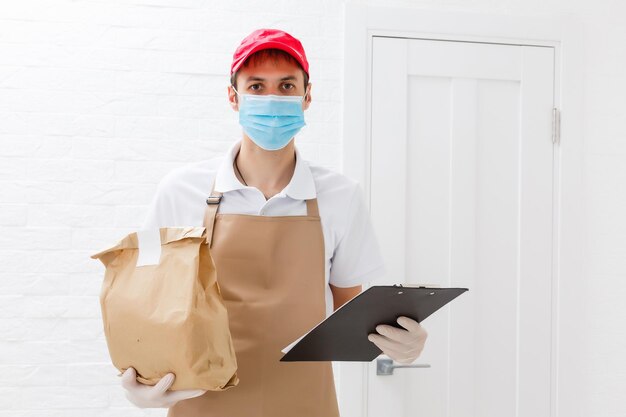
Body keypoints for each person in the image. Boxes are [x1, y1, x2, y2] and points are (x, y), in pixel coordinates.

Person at [119, 28, 428, 417]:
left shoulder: (340, 196)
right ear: (234, 97)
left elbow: (350, 315)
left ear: (307, 96)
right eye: (256, 86)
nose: (272, 99)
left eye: (286, 86)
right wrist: (138, 380)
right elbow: (145, 303)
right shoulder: (180, 190)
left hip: (306, 404)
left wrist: (399, 343)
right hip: (202, 403)